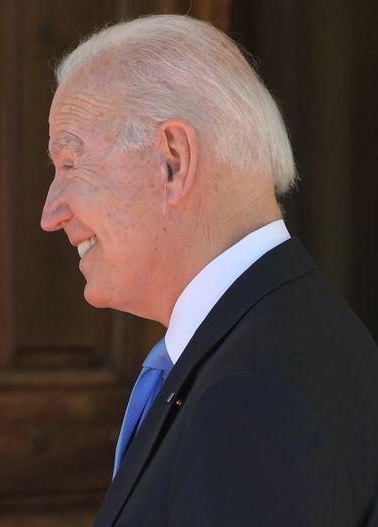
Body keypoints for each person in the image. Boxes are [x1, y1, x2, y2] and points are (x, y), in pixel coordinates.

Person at [42, 15, 378, 526]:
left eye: (70, 164)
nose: (52, 213)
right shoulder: (276, 337)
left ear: (172, 160)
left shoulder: (253, 396)